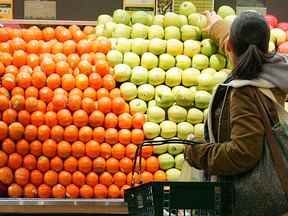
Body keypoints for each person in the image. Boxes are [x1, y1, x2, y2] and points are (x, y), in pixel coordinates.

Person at [184, 11, 288, 215]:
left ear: (230, 46)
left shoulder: (244, 93)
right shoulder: (274, 71)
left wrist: (197, 152)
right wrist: (217, 25)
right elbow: (239, 48)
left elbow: (243, 153)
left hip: (250, 202)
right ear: (265, 46)